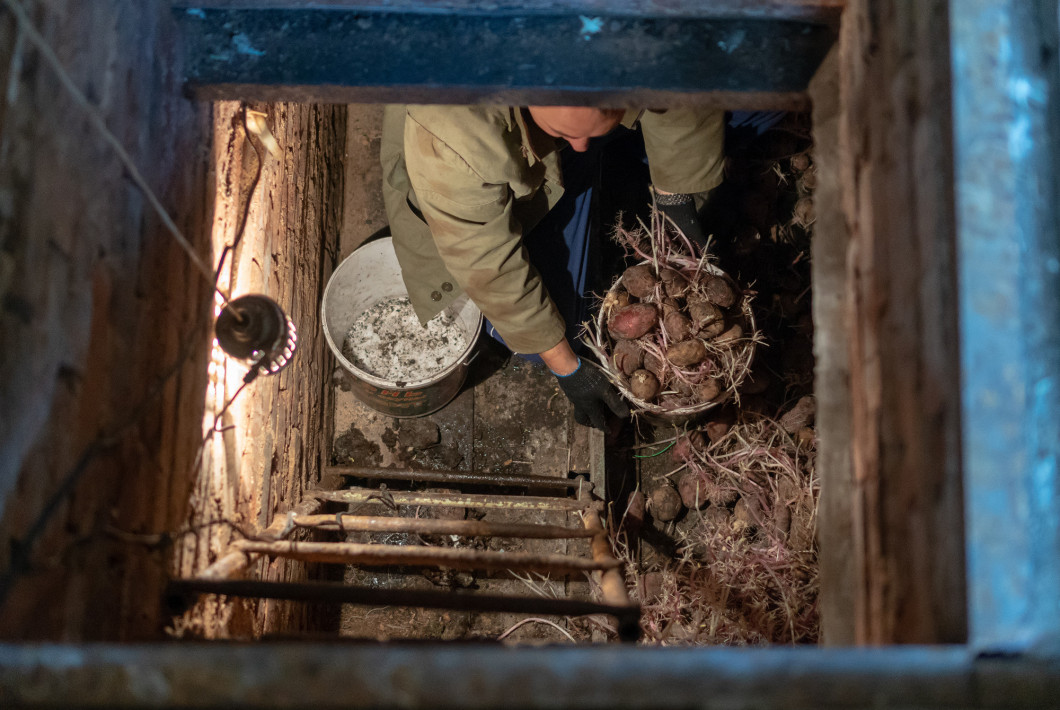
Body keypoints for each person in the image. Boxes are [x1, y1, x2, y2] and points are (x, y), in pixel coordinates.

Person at [380, 104, 725, 429]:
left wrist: (676, 197)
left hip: (560, 125)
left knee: (750, 113)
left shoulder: (644, 49)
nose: (578, 144)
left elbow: (684, 94)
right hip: (468, 191)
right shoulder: (451, 132)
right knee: (553, 337)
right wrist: (568, 369)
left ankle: (614, 144)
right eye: (564, 131)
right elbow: (487, 263)